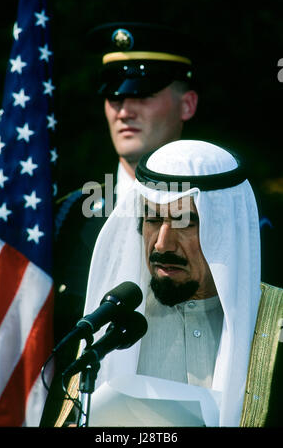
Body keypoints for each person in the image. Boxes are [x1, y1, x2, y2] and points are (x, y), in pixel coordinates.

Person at [40, 22, 199, 426]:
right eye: (114, 93)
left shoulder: (236, 222)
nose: (124, 109)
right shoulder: (65, 218)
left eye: (143, 93)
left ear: (187, 105)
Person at [71, 140, 282, 427]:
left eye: (185, 222)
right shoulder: (108, 328)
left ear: (224, 231)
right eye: (153, 220)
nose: (162, 243)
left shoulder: (274, 327)